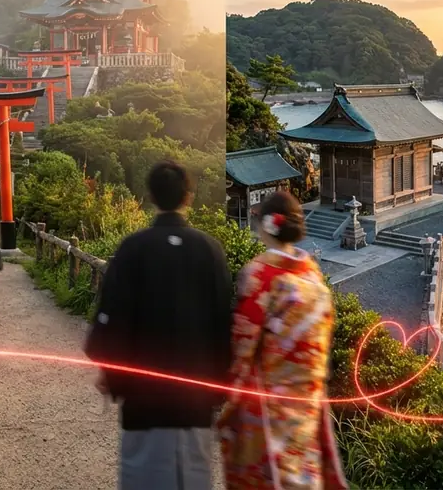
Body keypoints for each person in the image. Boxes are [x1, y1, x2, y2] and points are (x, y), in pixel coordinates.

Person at [85, 161, 234, 490]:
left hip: (143, 404)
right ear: (188, 197)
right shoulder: (210, 250)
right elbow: (223, 326)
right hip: (195, 405)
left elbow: (110, 322)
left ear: (151, 196)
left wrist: (112, 375)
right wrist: (219, 387)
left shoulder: (132, 249)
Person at [217, 190, 348, 489]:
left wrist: (231, 394)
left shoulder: (260, 275)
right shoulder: (313, 275)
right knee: (302, 469)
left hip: (270, 399)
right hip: (308, 395)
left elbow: (244, 343)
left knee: (269, 473)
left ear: (267, 225)